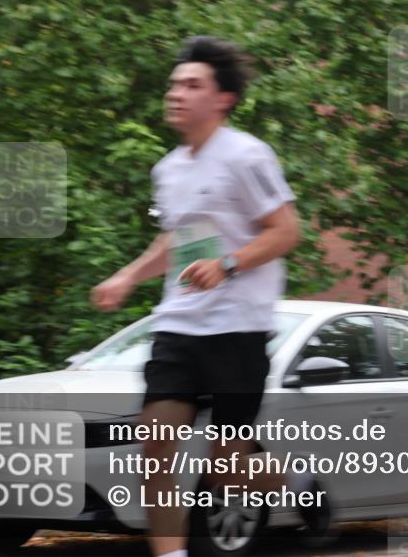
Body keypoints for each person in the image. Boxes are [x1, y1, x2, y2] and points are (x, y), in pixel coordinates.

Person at [91, 36, 330, 557]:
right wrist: (128, 277)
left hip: (238, 330)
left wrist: (227, 264)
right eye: (174, 84)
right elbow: (173, 239)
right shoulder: (168, 169)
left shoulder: (246, 156)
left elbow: (286, 231)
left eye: (192, 85)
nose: (176, 93)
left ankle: (298, 487)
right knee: (155, 452)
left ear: (222, 99)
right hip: (179, 325)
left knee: (227, 468)